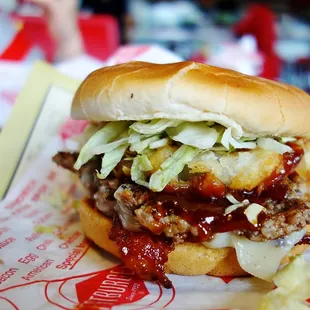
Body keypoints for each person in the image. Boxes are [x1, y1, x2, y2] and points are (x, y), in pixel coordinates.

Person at [233, 2, 281, 80]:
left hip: (264, 59)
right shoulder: (268, 12)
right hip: (269, 57)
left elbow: (241, 29)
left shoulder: (257, 11)